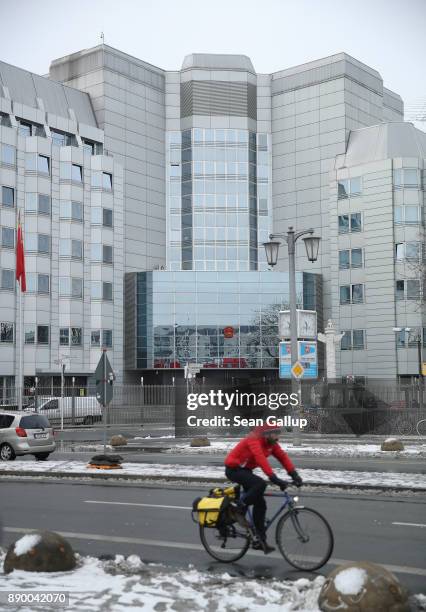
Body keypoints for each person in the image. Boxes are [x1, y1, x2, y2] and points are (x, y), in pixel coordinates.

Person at [224, 424, 303, 554]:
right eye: (276, 433)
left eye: (279, 432)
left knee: (261, 504)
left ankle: (259, 541)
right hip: (233, 469)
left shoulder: (271, 444)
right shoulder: (253, 439)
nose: (278, 436)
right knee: (260, 484)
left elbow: (283, 457)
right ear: (267, 433)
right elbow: (260, 459)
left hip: (246, 470)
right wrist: (273, 478)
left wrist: (294, 474)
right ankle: (238, 508)